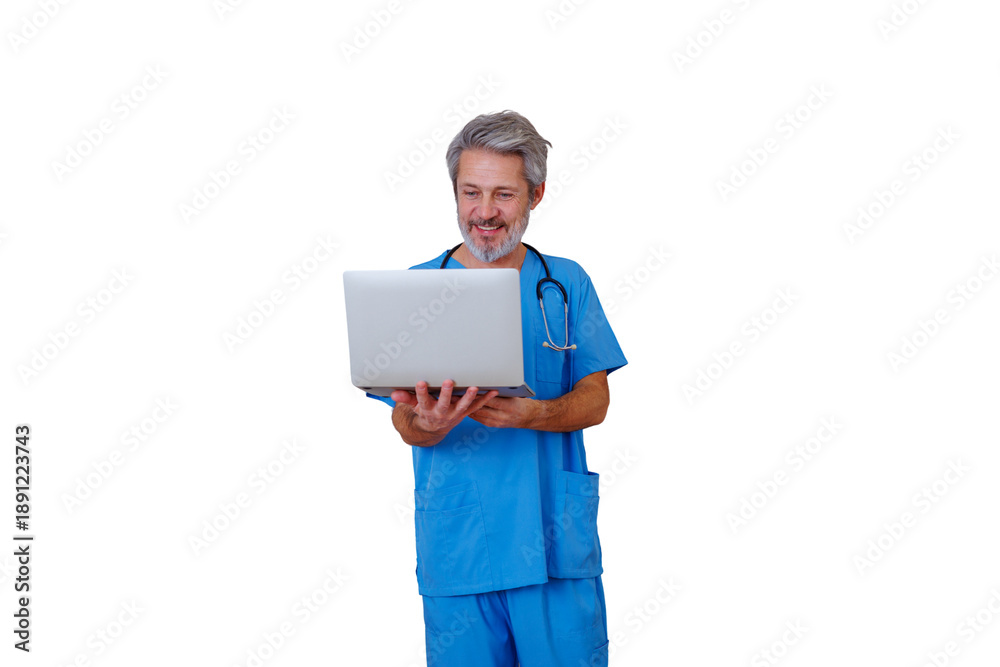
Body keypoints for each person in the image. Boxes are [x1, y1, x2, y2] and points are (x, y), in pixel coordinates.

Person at [367, 110, 627, 666]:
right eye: (471, 192)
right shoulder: (416, 291)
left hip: (554, 545)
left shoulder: (565, 283)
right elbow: (402, 417)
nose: (484, 212)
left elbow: (596, 400)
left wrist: (533, 414)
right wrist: (426, 424)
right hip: (462, 549)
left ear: (536, 195)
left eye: (503, 195)